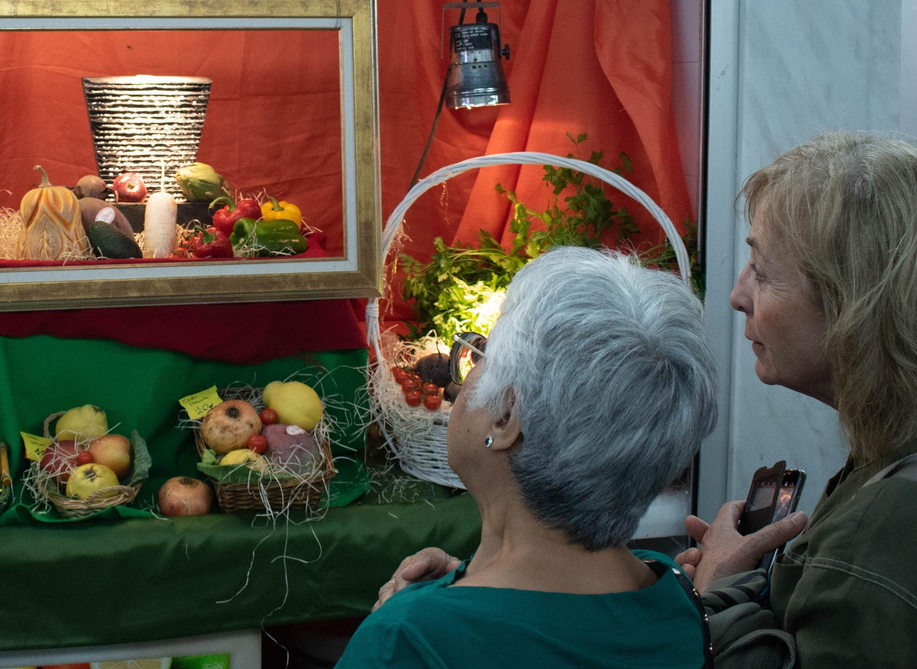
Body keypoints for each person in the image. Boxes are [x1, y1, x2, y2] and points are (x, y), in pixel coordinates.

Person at [337, 247, 718, 669]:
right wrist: (465, 580)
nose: (466, 376)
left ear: (505, 417)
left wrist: (410, 627)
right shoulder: (672, 591)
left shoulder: (409, 640)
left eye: (483, 354)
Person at [677, 132, 917, 665]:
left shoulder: (886, 521)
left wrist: (716, 593)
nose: (739, 294)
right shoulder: (882, 461)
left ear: (853, 304)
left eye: (762, 272)